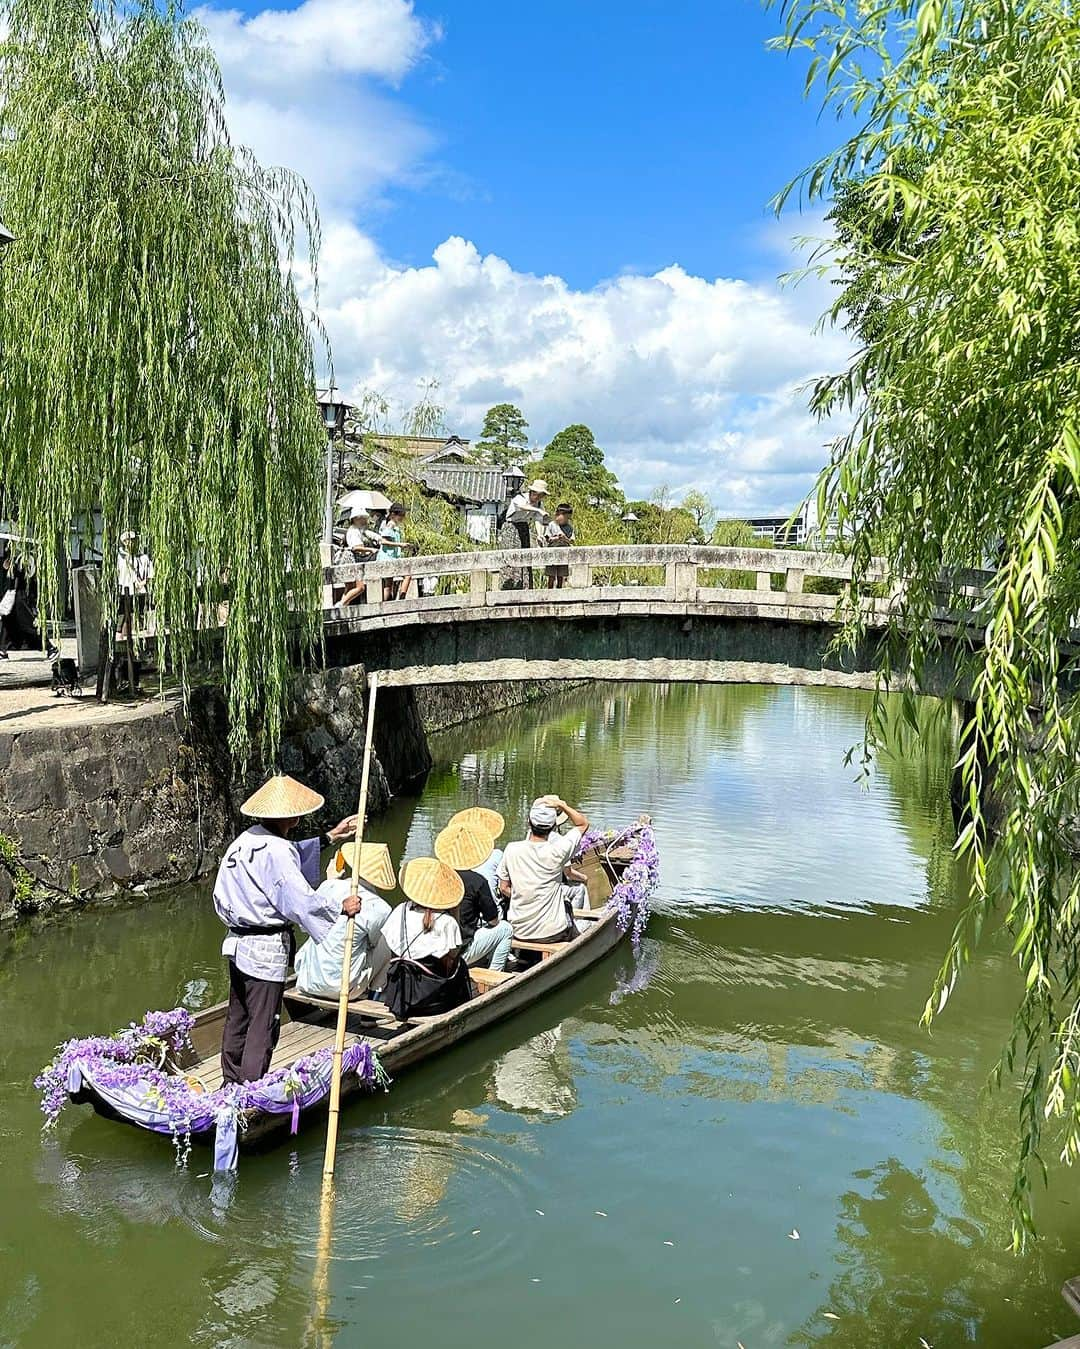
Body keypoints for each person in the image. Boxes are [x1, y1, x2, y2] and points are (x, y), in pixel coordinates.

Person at [212, 774, 359, 1084]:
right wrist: (339, 908)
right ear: (291, 816)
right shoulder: (277, 851)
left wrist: (330, 837)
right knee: (263, 1021)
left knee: (239, 1014)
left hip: (237, 944)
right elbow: (301, 901)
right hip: (264, 950)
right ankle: (250, 1088)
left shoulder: (245, 840)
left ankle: (229, 1078)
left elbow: (290, 856)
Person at [294, 841, 395, 999]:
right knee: (388, 941)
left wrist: (330, 881)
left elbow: (304, 927)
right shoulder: (381, 907)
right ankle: (374, 1000)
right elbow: (374, 944)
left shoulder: (327, 887)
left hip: (308, 980)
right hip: (343, 990)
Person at [382, 857, 473, 1018]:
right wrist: (456, 914)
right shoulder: (447, 922)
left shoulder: (401, 910)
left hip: (400, 994)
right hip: (430, 999)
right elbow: (453, 956)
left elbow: (390, 946)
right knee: (461, 966)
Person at [497, 796, 590, 950]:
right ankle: (580, 936)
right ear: (554, 826)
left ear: (528, 822)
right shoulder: (559, 849)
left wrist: (524, 895)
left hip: (518, 930)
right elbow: (583, 823)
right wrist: (562, 804)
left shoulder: (511, 849)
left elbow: (503, 888)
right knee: (571, 908)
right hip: (552, 933)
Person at [434, 823, 513, 971]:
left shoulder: (436, 877)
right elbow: (494, 921)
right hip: (458, 953)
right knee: (505, 929)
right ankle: (494, 975)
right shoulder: (477, 881)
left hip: (431, 951)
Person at [448, 807, 505, 909]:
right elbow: (503, 887)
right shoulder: (497, 855)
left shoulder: (453, 857)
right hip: (488, 916)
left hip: (461, 913)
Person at [501, 479, 548, 589]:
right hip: (510, 528)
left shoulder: (539, 504)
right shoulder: (520, 498)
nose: (538, 498)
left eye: (541, 495)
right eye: (537, 494)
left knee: (526, 558)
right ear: (532, 492)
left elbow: (538, 520)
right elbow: (522, 507)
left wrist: (540, 535)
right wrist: (538, 510)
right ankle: (509, 587)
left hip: (524, 527)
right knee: (511, 558)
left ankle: (526, 587)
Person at [117, 530, 153, 639]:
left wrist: (143, 583)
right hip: (124, 592)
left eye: (133, 540)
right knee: (122, 618)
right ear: (124, 542)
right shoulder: (120, 557)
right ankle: (120, 639)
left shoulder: (144, 558)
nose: (131, 543)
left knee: (141, 618)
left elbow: (151, 574)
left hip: (140, 592)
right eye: (128, 541)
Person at [339, 510, 379, 607]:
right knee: (360, 587)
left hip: (350, 559)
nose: (365, 521)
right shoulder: (353, 531)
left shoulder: (357, 530)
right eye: (363, 518)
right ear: (356, 519)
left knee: (349, 587)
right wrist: (370, 550)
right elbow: (356, 548)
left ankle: (342, 608)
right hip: (350, 559)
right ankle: (341, 605)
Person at [379, 503, 417, 601]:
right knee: (407, 575)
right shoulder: (390, 524)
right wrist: (400, 544)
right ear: (393, 515)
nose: (402, 517)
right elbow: (383, 541)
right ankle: (401, 599)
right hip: (388, 558)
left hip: (390, 557)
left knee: (388, 584)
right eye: (400, 515)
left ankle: (385, 606)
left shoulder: (393, 526)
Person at [544, 503, 574, 589]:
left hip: (563, 554)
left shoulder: (569, 527)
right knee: (551, 576)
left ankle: (559, 592)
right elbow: (547, 538)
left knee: (561, 576)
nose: (567, 520)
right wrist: (556, 538)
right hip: (552, 553)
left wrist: (565, 539)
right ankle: (549, 594)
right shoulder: (552, 525)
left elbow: (572, 541)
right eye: (566, 518)